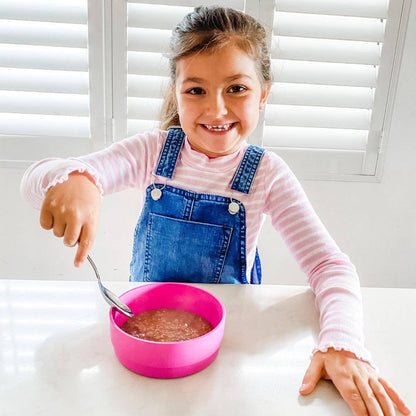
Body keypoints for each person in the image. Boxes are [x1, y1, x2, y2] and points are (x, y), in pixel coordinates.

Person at [20, 6, 411, 416]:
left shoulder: (266, 174)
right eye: (196, 90)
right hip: (147, 346)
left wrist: (342, 341)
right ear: (176, 92)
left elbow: (330, 266)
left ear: (264, 93)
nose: (217, 109)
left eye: (237, 89)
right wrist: (76, 179)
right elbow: (34, 180)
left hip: (229, 351)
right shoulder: (152, 152)